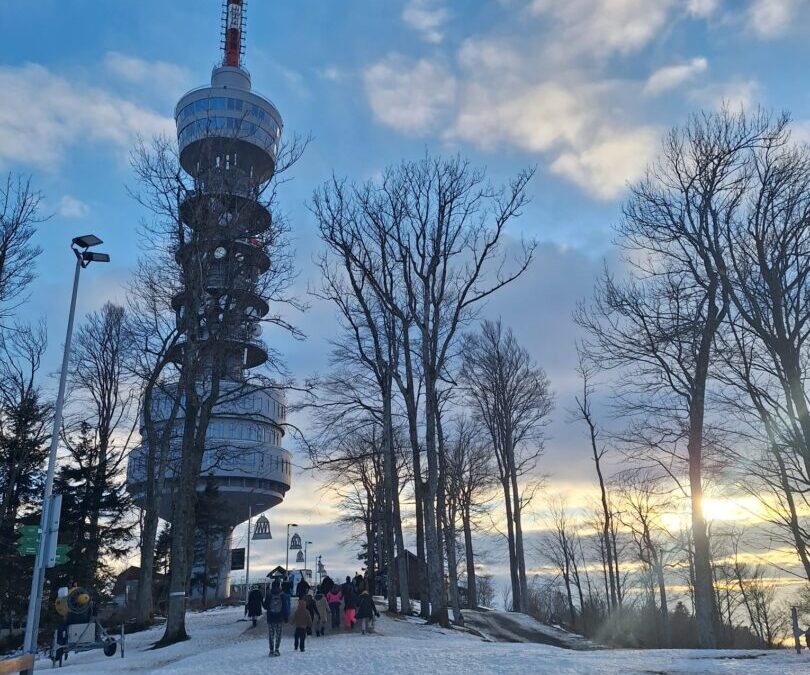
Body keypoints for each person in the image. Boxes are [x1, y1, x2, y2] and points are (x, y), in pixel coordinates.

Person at [262, 579, 288, 657]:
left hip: (270, 618)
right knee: (278, 634)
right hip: (279, 618)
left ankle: (271, 650)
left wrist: (262, 602)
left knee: (271, 634)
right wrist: (286, 617)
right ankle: (277, 650)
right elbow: (285, 607)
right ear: (279, 585)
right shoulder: (282, 595)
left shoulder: (269, 594)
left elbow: (265, 607)